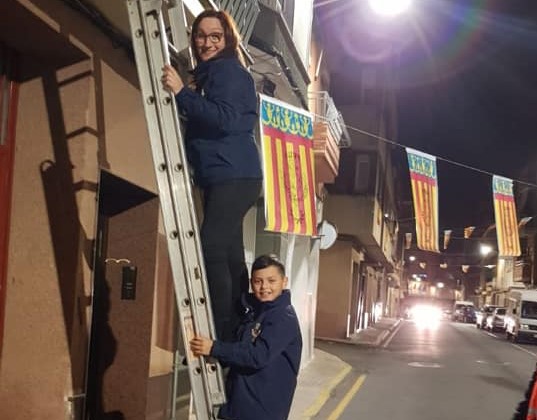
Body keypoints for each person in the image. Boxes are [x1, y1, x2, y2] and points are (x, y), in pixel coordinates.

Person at [161, 10, 263, 342]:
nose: (206, 43)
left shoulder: (229, 72)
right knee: (231, 253)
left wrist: (181, 93)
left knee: (211, 248)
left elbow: (229, 120)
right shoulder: (210, 75)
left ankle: (222, 332)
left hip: (232, 174)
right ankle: (241, 321)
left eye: (215, 36)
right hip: (227, 174)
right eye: (201, 36)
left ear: (228, 39)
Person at [190, 254, 303, 420]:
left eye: (272, 281)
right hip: (239, 406)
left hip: (261, 412)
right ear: (251, 283)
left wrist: (214, 348)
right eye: (258, 281)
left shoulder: (283, 317)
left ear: (284, 282)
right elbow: (238, 349)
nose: (264, 287)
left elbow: (257, 355)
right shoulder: (255, 312)